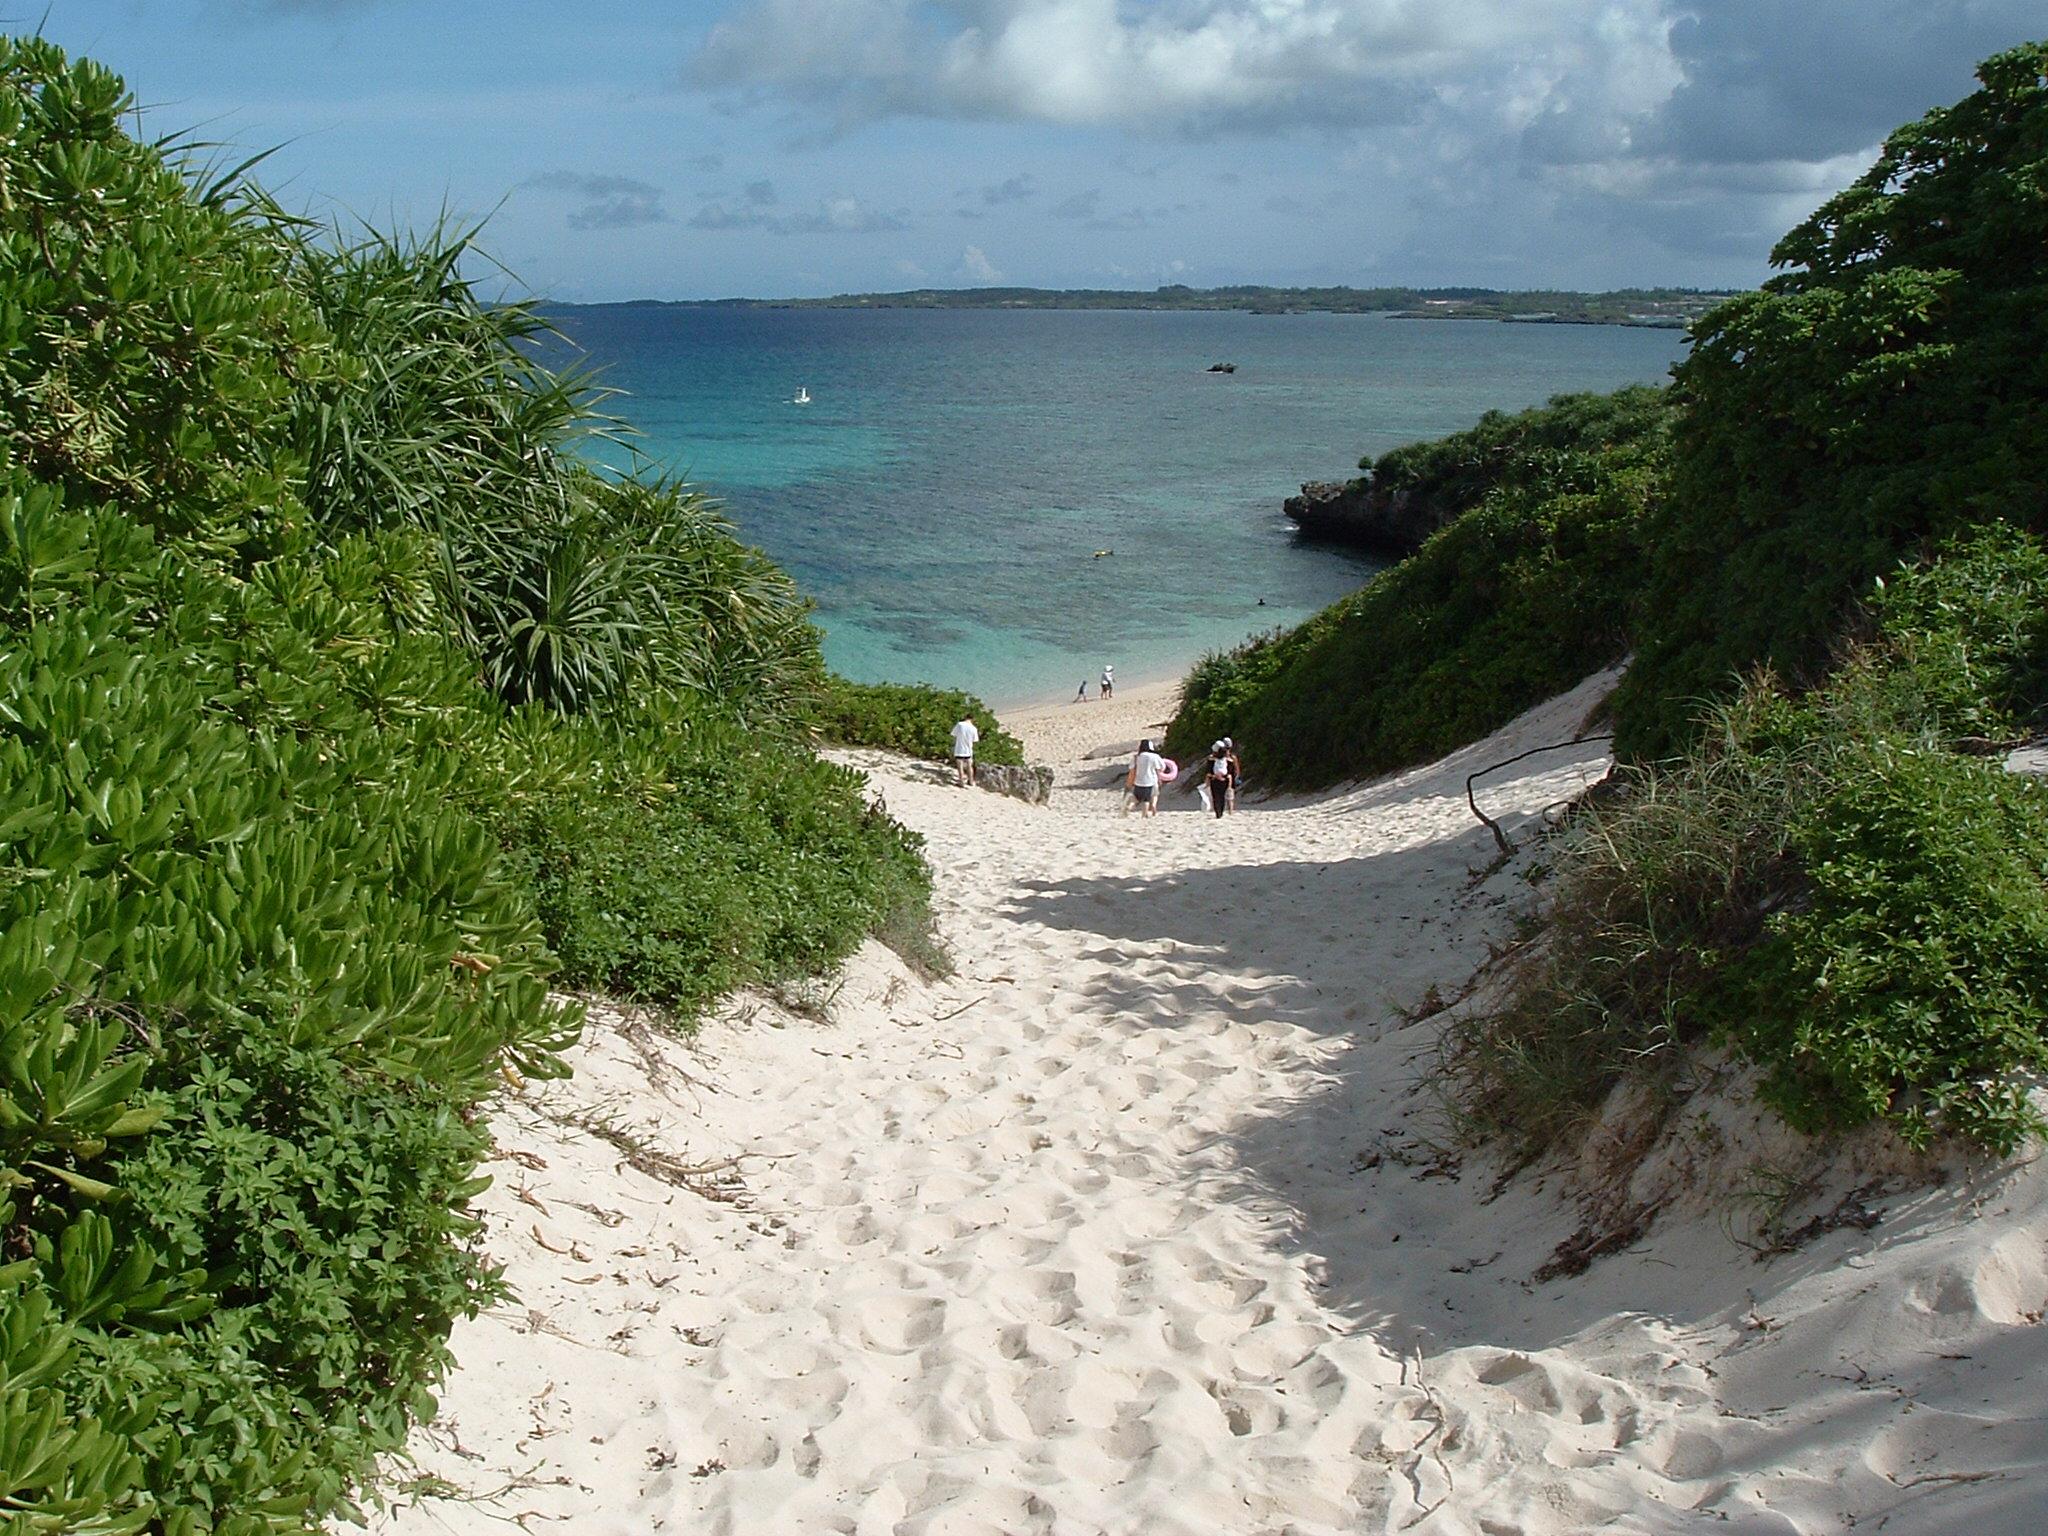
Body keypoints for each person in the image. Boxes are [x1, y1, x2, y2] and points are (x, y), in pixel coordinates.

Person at [1127, 737, 1164, 818]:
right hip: (1149, 781)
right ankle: (1144, 815)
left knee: (1136, 797)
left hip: (1138, 781)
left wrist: (1129, 782)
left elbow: (1132, 769)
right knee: (1146, 800)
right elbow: (1161, 767)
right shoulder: (1154, 756)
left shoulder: (1136, 757)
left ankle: (1129, 806)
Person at [1205, 739, 1233, 819]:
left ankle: (1218, 812)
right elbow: (1230, 771)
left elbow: (1208, 771)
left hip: (1214, 779)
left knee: (1215, 796)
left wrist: (1207, 781)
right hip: (1224, 780)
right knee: (1222, 796)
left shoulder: (1211, 760)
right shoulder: (1228, 760)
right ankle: (1221, 811)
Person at [950, 714, 980, 787]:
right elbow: (975, 740)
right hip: (969, 750)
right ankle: (971, 781)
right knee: (969, 765)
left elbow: (953, 734)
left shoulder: (960, 724)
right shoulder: (974, 728)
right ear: (972, 719)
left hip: (959, 748)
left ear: (965, 717)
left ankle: (961, 781)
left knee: (960, 765)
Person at [1223, 735, 1243, 811]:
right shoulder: (1233, 757)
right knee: (1230, 797)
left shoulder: (1220, 757)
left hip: (1222, 777)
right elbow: (1237, 769)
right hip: (1231, 778)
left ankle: (1223, 810)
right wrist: (1237, 777)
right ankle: (1230, 811)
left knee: (1220, 795)